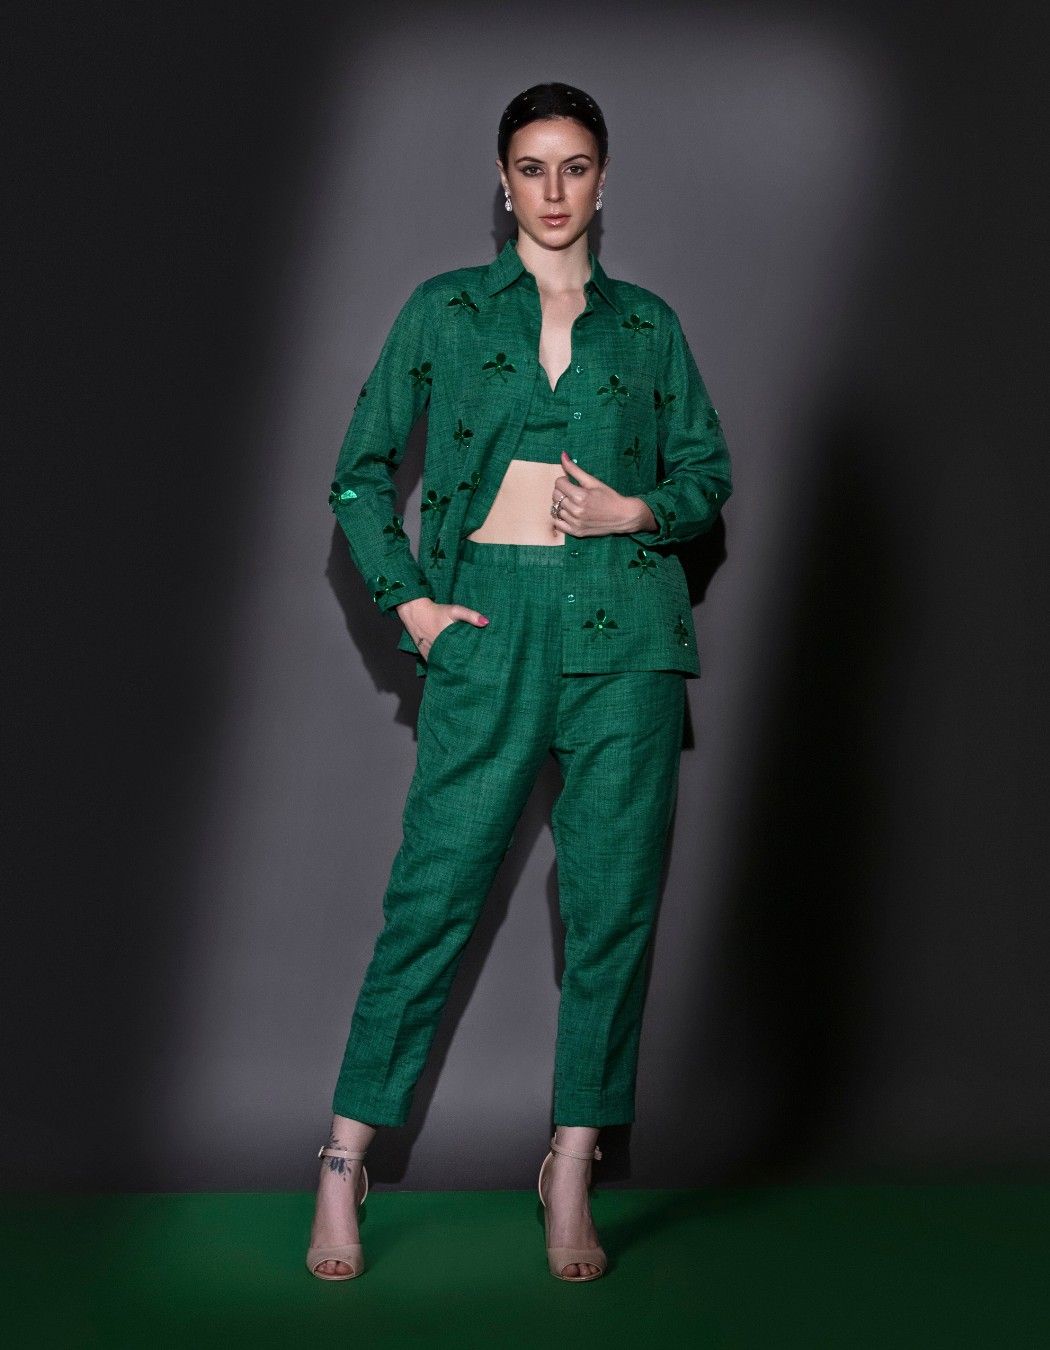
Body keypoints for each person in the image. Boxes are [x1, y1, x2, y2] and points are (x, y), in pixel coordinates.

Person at [306, 81, 732, 1283]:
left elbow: (708, 472)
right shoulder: (444, 311)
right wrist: (416, 608)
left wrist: (637, 510)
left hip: (626, 637)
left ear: (604, 179)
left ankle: (573, 1162)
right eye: (532, 168)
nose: (554, 190)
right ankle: (342, 1160)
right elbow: (359, 474)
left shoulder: (646, 326)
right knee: (434, 895)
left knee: (612, 907)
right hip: (488, 627)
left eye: (575, 166)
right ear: (502, 184)